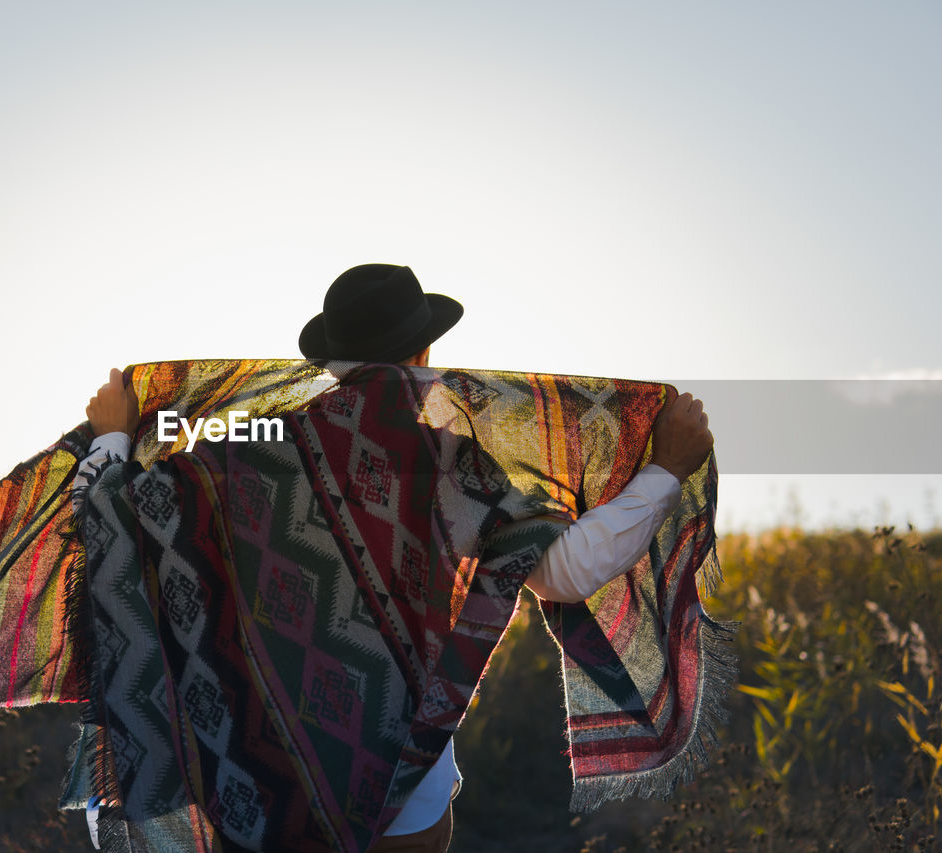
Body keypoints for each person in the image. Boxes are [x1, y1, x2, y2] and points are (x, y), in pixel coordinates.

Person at [75, 263, 713, 852]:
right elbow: (563, 576)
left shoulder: (252, 453)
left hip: (266, 802)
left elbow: (114, 526)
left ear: (328, 366)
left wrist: (112, 433)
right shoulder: (452, 463)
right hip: (404, 810)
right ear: (424, 354)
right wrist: (663, 470)